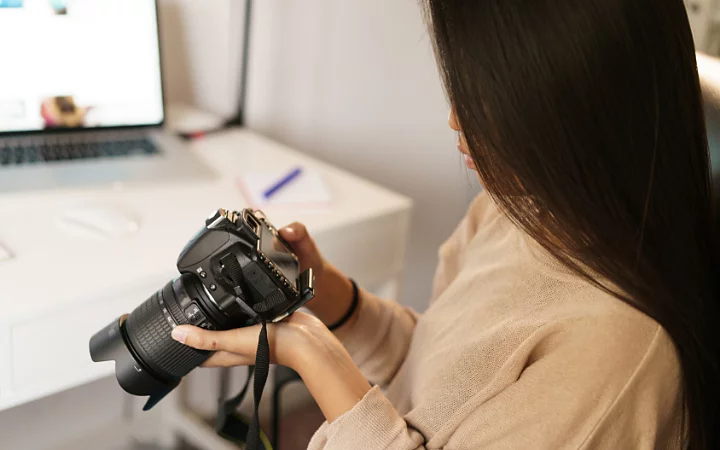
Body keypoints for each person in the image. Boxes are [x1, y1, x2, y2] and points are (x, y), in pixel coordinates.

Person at [170, 0, 720, 448]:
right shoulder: (516, 211)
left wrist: (311, 354)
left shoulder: (614, 356)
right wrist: (331, 296)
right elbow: (439, 372)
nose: (455, 120)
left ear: (571, 103)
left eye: (485, 101)